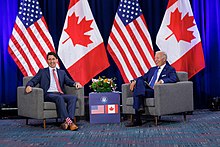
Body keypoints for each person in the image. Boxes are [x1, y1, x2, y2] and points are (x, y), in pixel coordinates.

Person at [25, 52, 82, 131]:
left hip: (60, 93)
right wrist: (29, 85)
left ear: (57, 60)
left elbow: (69, 81)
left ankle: (66, 123)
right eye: (49, 59)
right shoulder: (42, 72)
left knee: (73, 97)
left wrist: (75, 83)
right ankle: (70, 123)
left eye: (53, 59)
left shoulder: (62, 72)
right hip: (49, 94)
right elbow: (33, 81)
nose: (51, 61)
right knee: (59, 98)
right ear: (47, 61)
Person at [126, 51, 179, 127]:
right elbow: (143, 77)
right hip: (147, 90)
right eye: (155, 58)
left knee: (137, 92)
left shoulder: (170, 69)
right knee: (140, 81)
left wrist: (162, 81)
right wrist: (134, 81)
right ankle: (139, 108)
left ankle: (137, 119)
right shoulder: (152, 69)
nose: (156, 60)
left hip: (156, 91)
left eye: (158, 58)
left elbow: (174, 79)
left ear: (164, 59)